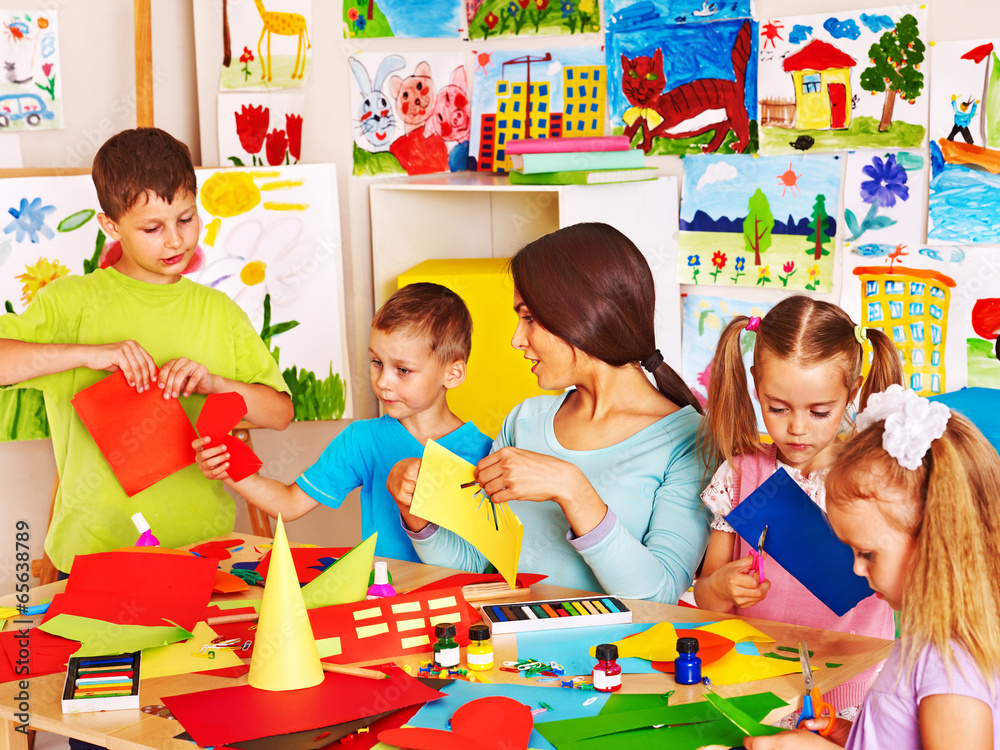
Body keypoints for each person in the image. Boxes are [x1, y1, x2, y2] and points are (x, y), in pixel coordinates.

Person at [0, 127, 293, 575]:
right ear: (110, 225)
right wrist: (88, 354)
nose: (175, 240)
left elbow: (279, 414)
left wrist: (215, 383)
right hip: (91, 557)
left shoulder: (218, 310)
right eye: (153, 228)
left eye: (186, 219)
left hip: (205, 552)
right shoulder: (71, 301)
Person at [389, 222, 711, 603]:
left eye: (528, 317)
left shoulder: (691, 440)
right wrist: (418, 515)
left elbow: (658, 596)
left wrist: (572, 489)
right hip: (509, 654)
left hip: (613, 659)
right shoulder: (524, 421)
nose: (516, 339)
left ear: (583, 314)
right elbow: (477, 565)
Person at [745, 385, 1000, 749]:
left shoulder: (950, 665)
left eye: (867, 554)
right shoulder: (927, 640)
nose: (856, 570)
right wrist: (849, 737)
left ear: (934, 542)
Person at [694, 296, 902, 716]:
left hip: (854, 696)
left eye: (820, 411)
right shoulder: (738, 478)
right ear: (756, 386)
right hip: (756, 690)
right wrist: (720, 587)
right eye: (777, 408)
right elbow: (705, 594)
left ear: (853, 391)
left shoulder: (879, 477)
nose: (797, 427)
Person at [195, 282, 493, 562]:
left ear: (452, 374)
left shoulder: (486, 452)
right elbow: (289, 503)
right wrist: (229, 470)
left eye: (402, 370)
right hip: (384, 600)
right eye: (377, 363)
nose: (383, 382)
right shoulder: (361, 440)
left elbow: (485, 557)